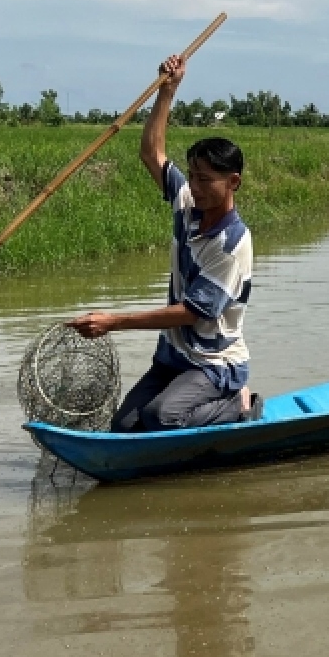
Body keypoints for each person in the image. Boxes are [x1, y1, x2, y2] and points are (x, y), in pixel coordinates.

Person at [65, 53, 260, 430]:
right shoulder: (188, 205)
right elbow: (151, 153)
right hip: (174, 356)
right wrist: (168, 91)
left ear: (232, 182)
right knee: (123, 427)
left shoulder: (232, 244)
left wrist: (114, 321)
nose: (196, 186)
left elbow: (192, 312)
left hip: (214, 364)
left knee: (162, 416)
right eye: (193, 176)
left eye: (207, 179)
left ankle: (238, 404)